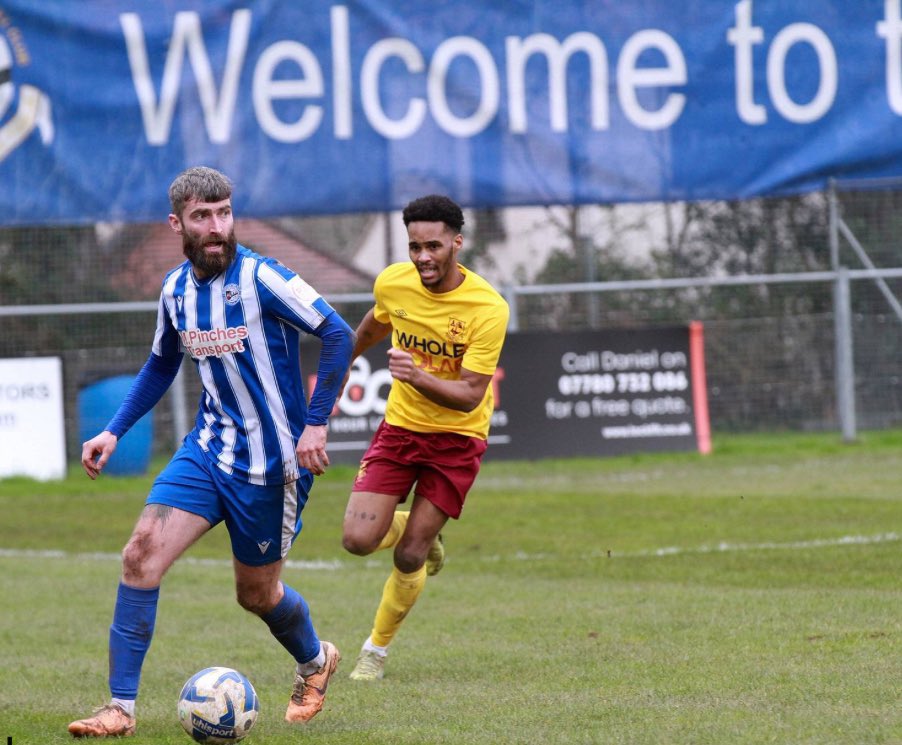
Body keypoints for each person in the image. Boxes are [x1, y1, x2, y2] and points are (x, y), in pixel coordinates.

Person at [68, 166, 354, 738]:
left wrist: (316, 424)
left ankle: (315, 660)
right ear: (177, 224)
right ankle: (119, 708)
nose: (217, 226)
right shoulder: (175, 290)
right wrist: (114, 431)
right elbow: (161, 364)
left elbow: (338, 333)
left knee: (257, 594)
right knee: (139, 555)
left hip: (272, 468)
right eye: (202, 216)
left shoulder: (263, 278)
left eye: (224, 212)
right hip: (207, 451)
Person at [341, 194, 509, 681]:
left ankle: (375, 651)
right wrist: (342, 362)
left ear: (457, 242)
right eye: (415, 247)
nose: (422, 257)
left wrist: (416, 374)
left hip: (457, 438)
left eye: (433, 246)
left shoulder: (487, 308)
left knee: (410, 554)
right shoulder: (393, 283)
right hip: (401, 429)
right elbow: (376, 323)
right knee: (356, 540)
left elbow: (470, 396)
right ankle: (420, 528)